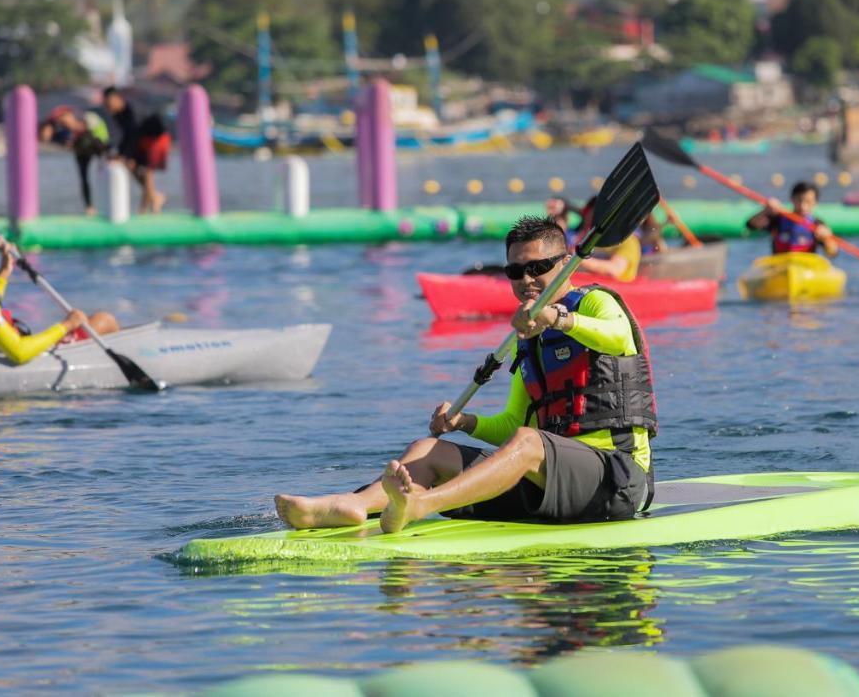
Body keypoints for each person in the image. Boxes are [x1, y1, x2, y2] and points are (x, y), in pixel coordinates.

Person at [276, 215, 656, 534]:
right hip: (553, 483)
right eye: (515, 270)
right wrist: (466, 422)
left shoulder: (595, 303)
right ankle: (352, 505)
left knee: (529, 442)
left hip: (617, 481)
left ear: (564, 264)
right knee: (428, 450)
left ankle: (419, 504)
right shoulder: (528, 342)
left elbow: (619, 337)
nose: (526, 279)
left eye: (538, 268)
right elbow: (513, 423)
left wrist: (556, 317)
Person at [0, 222, 120, 362]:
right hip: (26, 357)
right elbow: (19, 352)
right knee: (104, 320)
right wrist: (67, 324)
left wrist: (3, 273)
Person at [102, 87, 168, 214]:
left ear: (117, 99)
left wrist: (125, 155)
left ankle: (145, 207)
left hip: (155, 138)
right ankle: (154, 197)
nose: (108, 107)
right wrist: (120, 155)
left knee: (147, 172)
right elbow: (126, 136)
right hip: (141, 141)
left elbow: (134, 133)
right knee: (132, 168)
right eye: (106, 105)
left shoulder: (131, 109)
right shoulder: (118, 115)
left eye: (109, 104)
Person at [39, 105, 110, 215]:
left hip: (97, 146)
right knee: (83, 176)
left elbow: (102, 139)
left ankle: (105, 203)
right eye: (60, 121)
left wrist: (103, 157)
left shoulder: (89, 118)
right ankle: (89, 207)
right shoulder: (62, 133)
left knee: (102, 168)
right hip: (82, 151)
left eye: (63, 118)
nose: (63, 122)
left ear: (70, 114)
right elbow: (47, 137)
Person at [745, 181, 839, 257]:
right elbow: (750, 225)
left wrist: (827, 240)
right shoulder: (779, 218)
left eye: (808, 202)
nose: (803, 206)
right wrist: (766, 210)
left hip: (805, 269)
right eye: (799, 200)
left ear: (815, 203)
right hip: (779, 267)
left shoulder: (817, 224)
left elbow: (832, 254)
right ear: (792, 199)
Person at [573, 196, 642, 282]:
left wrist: (577, 259)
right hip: (588, 288)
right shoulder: (585, 240)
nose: (591, 220)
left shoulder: (628, 241)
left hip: (618, 292)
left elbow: (614, 270)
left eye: (596, 216)